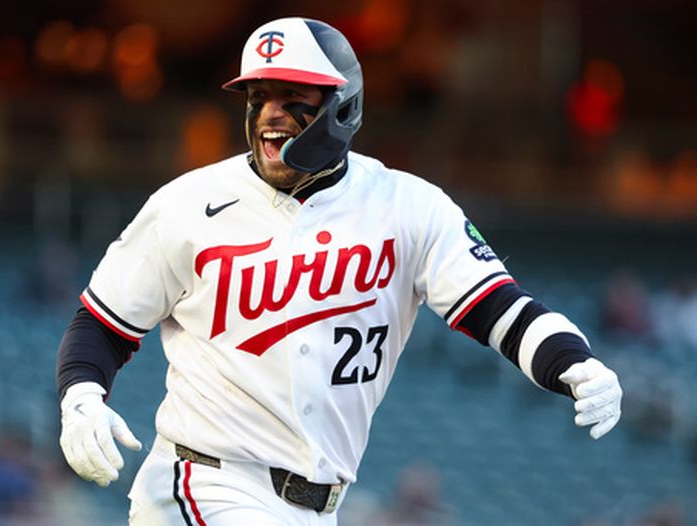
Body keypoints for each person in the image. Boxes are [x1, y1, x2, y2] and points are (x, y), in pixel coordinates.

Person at [56, 17, 623, 526]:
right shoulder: (189, 202)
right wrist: (81, 399)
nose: (270, 113)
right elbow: (104, 322)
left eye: (292, 96)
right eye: (258, 96)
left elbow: (498, 307)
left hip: (318, 506)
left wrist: (575, 362)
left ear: (343, 106)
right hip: (201, 483)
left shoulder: (408, 206)